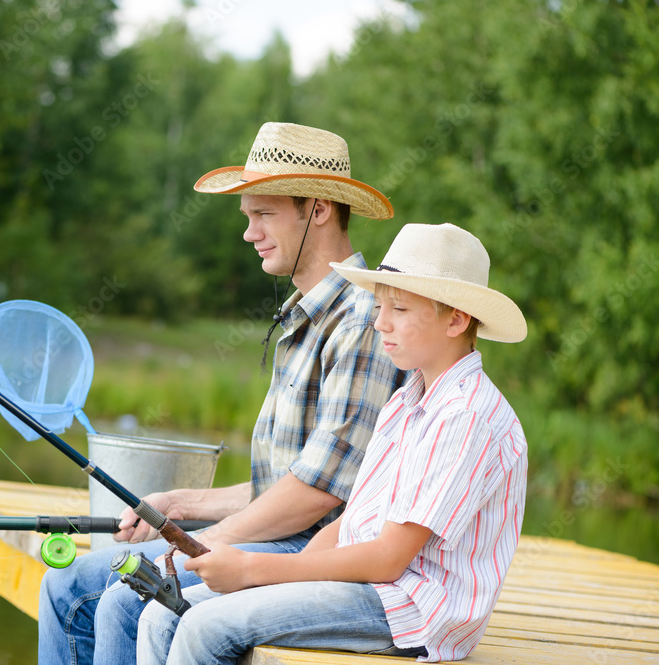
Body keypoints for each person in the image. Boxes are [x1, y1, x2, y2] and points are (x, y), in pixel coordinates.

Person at [38, 122, 405, 664]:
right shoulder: (308, 318)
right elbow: (285, 482)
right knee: (66, 582)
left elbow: (320, 494)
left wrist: (209, 541)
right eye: (248, 216)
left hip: (314, 552)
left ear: (320, 209)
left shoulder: (359, 322)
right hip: (285, 534)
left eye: (264, 214)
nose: (249, 233)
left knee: (119, 598)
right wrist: (176, 508)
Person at [136, 222, 529, 664]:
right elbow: (349, 523)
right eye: (380, 306)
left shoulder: (467, 415)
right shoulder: (407, 400)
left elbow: (387, 560)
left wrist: (253, 569)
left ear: (456, 319)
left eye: (398, 309)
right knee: (161, 614)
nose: (380, 322)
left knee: (204, 625)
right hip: (362, 587)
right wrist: (281, 579)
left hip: (410, 609)